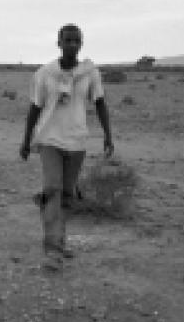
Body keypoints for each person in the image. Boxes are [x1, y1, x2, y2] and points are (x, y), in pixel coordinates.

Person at [20, 24, 114, 271]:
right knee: (53, 188)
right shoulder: (45, 74)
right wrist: (26, 139)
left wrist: (108, 134)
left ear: (81, 44)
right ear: (59, 43)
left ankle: (59, 241)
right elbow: (34, 108)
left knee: (66, 195)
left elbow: (100, 103)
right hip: (50, 139)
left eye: (76, 40)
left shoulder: (90, 73)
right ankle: (52, 250)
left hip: (77, 141)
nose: (72, 44)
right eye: (67, 40)